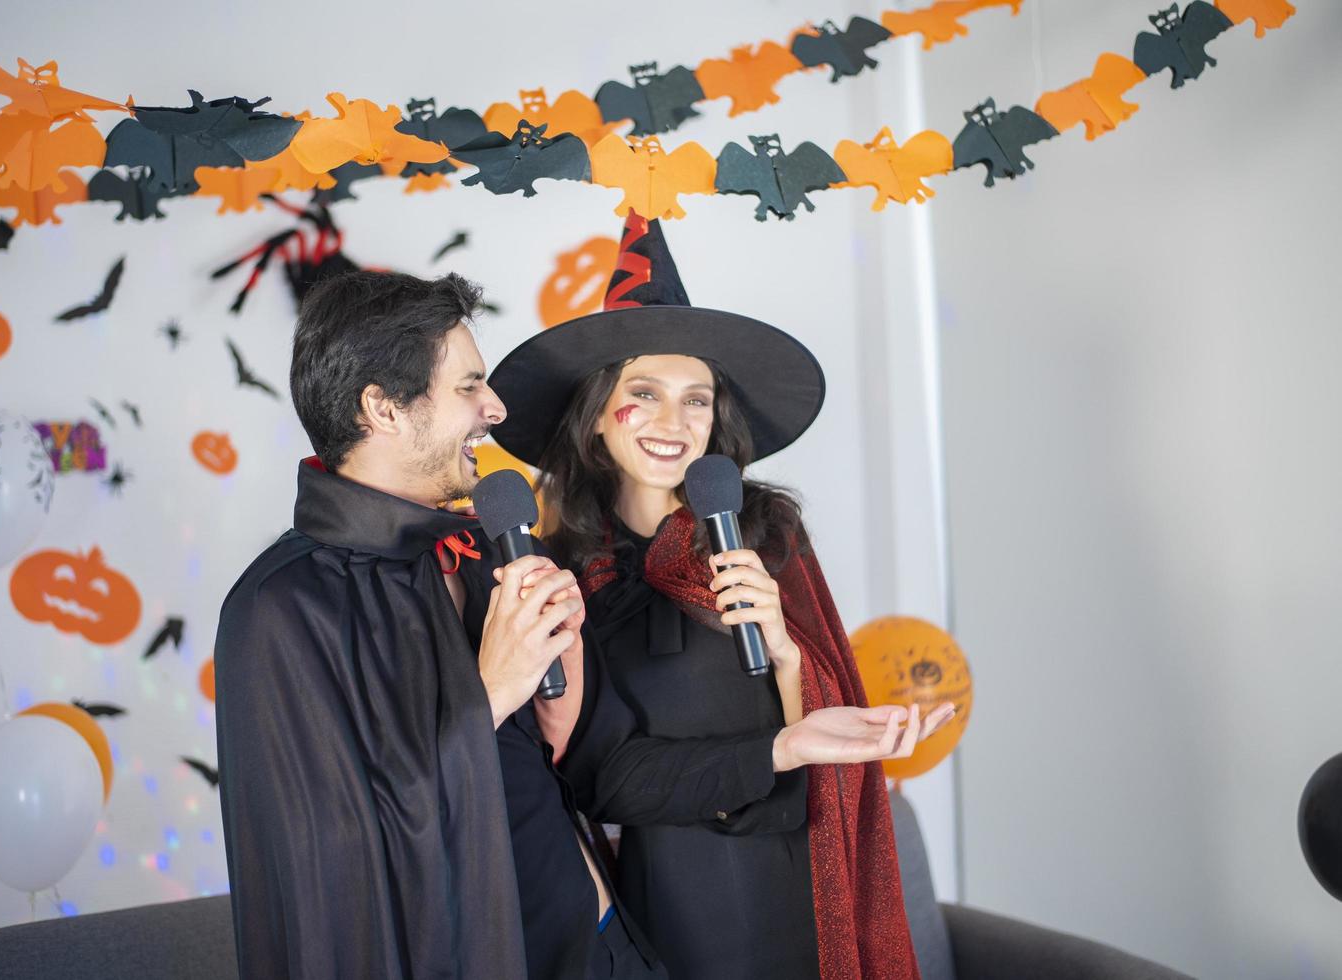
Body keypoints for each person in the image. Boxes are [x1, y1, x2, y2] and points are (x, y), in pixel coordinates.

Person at [214, 269, 945, 980]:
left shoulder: (482, 558)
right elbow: (332, 861)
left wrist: (781, 698)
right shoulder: (280, 607)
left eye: (698, 399)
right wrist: (495, 692)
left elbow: (580, 766)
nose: (492, 407)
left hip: (608, 933)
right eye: (469, 386)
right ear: (383, 408)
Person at [487, 212, 955, 980]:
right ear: (599, 411)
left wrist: (783, 651)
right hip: (674, 887)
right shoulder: (565, 566)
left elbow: (821, 709)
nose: (675, 421)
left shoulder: (765, 529)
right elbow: (603, 778)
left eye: (696, 398)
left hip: (801, 865)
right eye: (645, 392)